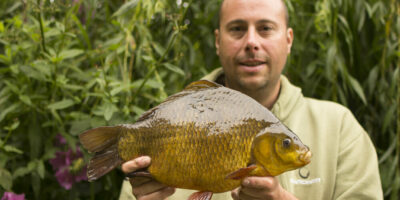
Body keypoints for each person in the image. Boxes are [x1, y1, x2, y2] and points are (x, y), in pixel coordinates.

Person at [118, 0, 383, 199]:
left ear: (288, 40)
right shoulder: (166, 124)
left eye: (266, 28)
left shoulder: (340, 128)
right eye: (237, 29)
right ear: (218, 41)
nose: (252, 42)